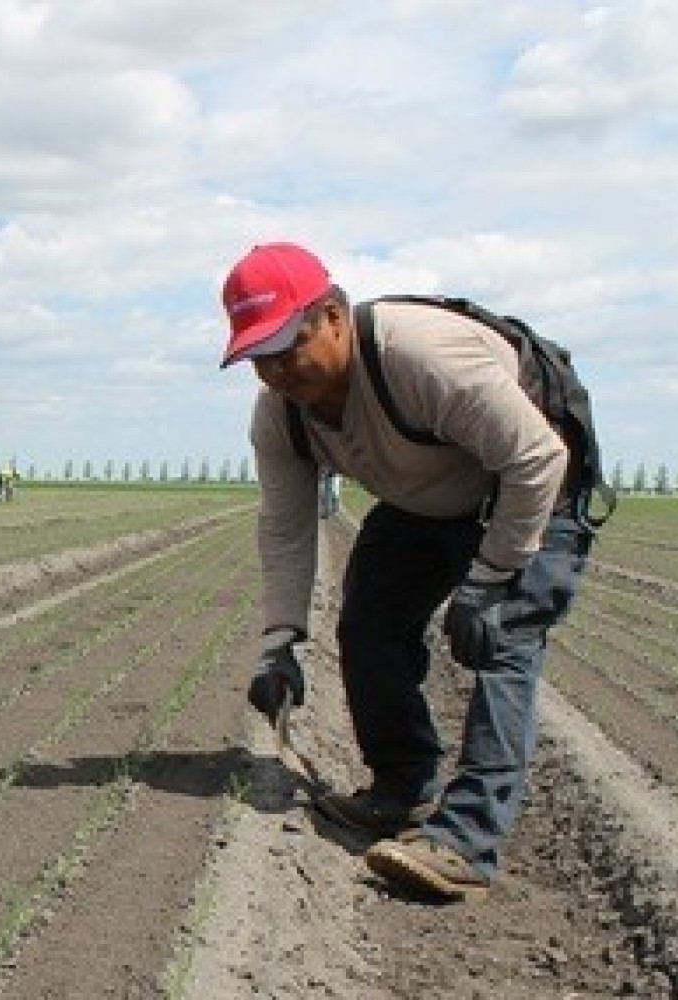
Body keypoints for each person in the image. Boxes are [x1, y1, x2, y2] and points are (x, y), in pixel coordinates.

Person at [220, 241, 590, 902]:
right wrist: (280, 643)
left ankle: (469, 843)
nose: (277, 372)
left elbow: (536, 458)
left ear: (333, 315)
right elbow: (285, 524)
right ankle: (405, 787)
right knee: (368, 626)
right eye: (258, 358)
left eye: (288, 346)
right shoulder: (281, 416)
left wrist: (491, 577)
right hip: (424, 501)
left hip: (528, 490)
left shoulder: (418, 358)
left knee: (503, 644)